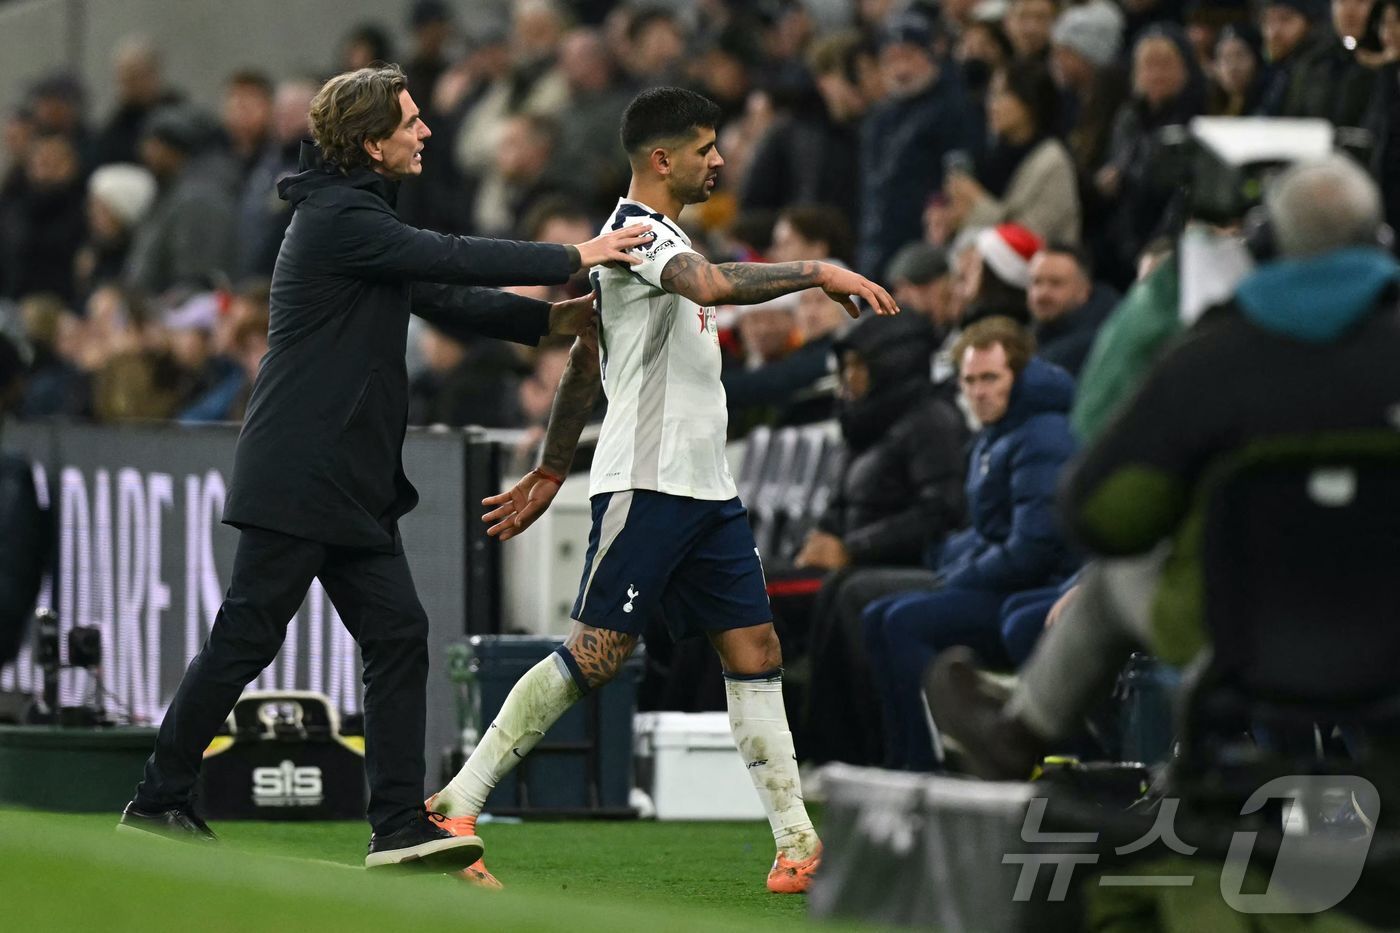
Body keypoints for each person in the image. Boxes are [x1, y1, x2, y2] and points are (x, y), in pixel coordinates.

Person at [117, 64, 649, 871]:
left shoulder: (355, 215)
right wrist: (576, 252)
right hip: (305, 472)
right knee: (247, 636)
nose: (426, 131)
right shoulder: (341, 216)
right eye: (409, 121)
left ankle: (397, 823)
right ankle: (159, 799)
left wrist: (550, 322)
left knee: (396, 633)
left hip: (347, 480)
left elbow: (442, 294)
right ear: (372, 143)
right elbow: (451, 256)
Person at [424, 86, 897, 894]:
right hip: (647, 481)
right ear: (662, 158)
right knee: (596, 654)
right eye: (706, 147)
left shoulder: (661, 239)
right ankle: (456, 804)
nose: (720, 160)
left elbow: (585, 356)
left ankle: (797, 843)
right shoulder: (637, 234)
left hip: (706, 489)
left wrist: (550, 466)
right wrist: (817, 270)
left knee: (756, 649)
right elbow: (708, 286)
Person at [929, 155, 1400, 779]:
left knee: (1114, 576)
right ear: (1380, 241)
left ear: (1264, 246)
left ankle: (1023, 731)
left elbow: (1098, 514)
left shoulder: (1211, 358)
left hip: (1237, 639)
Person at [861, 316, 1078, 770]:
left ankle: (929, 765)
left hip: (1032, 588)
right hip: (1005, 584)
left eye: (990, 378)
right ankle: (903, 759)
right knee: (878, 615)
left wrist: (959, 578)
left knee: (901, 621)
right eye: (970, 381)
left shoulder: (1042, 435)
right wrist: (949, 561)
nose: (979, 392)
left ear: (1017, 376)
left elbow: (1033, 550)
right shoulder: (998, 433)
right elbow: (988, 531)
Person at [1025, 243, 1120, 376]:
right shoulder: (1036, 333)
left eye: (1056, 283)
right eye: (1036, 282)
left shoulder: (1098, 344)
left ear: (1084, 291)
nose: (1042, 293)